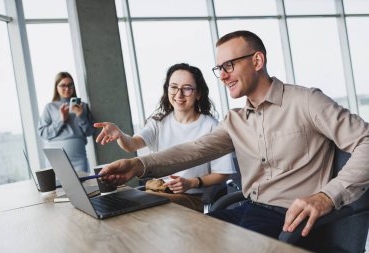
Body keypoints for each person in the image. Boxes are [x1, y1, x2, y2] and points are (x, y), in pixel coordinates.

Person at [98, 31, 369, 239]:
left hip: (289, 217)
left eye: (229, 66)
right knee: (182, 238)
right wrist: (137, 164)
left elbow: (366, 141)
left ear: (257, 60)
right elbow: (194, 149)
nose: (223, 76)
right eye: (220, 69)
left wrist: (326, 196)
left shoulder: (306, 101)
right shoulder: (235, 120)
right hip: (248, 207)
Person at [94, 63, 235, 212]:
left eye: (187, 88)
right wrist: (120, 135)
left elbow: (223, 173)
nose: (179, 94)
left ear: (198, 93)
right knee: (112, 203)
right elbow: (132, 145)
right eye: (173, 87)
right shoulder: (158, 122)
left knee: (130, 208)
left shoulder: (212, 126)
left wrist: (191, 183)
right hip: (156, 192)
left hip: (190, 197)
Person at [38, 72, 95, 173]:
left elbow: (90, 132)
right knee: (58, 187)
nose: (67, 89)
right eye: (63, 85)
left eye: (70, 85)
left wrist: (80, 116)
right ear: (56, 87)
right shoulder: (49, 107)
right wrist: (61, 120)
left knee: (83, 185)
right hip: (56, 159)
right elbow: (43, 133)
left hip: (79, 158)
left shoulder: (83, 106)